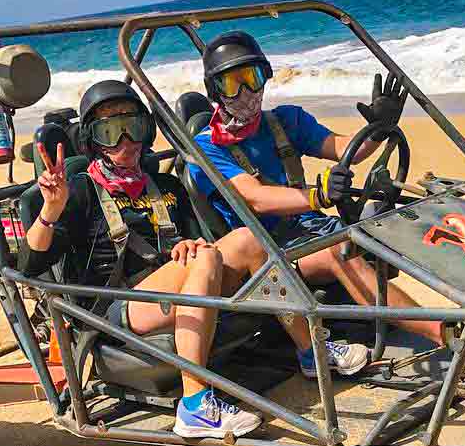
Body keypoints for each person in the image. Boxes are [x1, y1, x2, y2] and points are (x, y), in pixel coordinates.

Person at [187, 31, 446, 381]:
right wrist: (317, 195)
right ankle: (446, 334)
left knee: (403, 216)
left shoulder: (285, 120)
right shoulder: (207, 150)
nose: (246, 93)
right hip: (267, 257)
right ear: (215, 90)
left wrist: (379, 127)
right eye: (233, 83)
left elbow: (345, 149)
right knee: (338, 251)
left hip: (310, 230)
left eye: (252, 78)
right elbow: (256, 197)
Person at [19, 79, 261, 440]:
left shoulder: (167, 188)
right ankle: (195, 405)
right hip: (111, 312)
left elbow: (203, 242)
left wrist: (189, 246)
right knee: (205, 260)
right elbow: (29, 265)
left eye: (132, 128)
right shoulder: (82, 192)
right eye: (110, 131)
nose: (125, 142)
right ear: (93, 140)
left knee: (246, 240)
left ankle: (308, 352)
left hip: (171, 289)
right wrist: (52, 209)